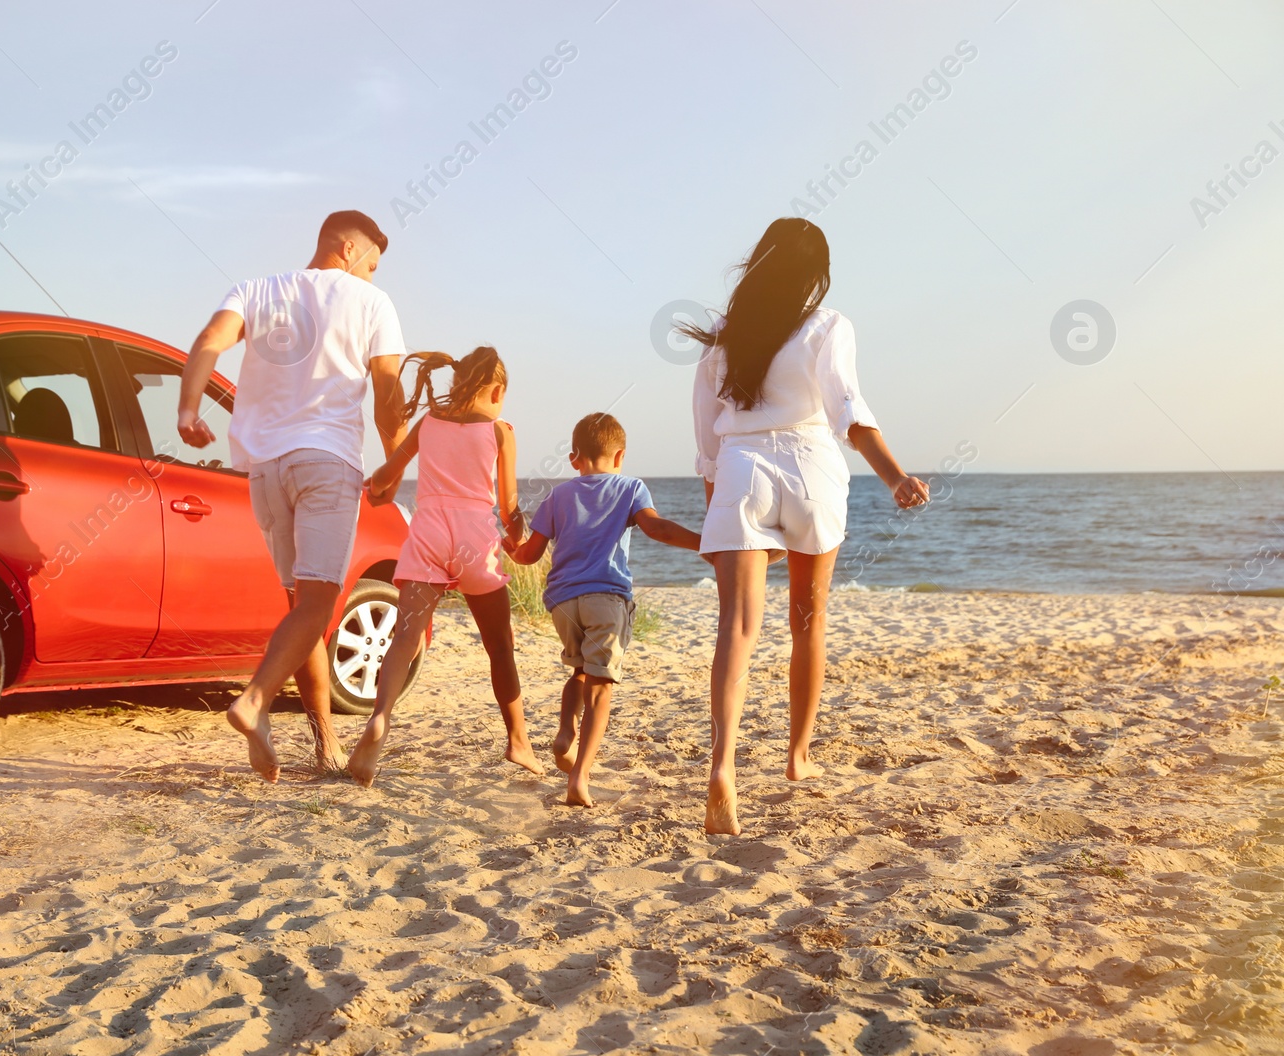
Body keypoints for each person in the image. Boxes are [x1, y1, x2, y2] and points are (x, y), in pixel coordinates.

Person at [684, 217, 929, 836]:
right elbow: (848, 408)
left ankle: (723, 767)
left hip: (743, 470)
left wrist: (720, 507)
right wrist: (895, 476)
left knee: (736, 628)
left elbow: (708, 433)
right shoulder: (827, 324)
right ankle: (797, 757)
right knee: (807, 620)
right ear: (815, 272)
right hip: (812, 469)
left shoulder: (723, 335)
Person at [178, 210, 409, 782]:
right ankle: (254, 701)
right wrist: (395, 465)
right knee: (317, 605)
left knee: (301, 607)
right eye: (373, 265)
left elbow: (210, 340)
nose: (373, 278)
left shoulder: (256, 290)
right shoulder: (371, 303)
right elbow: (387, 394)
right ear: (350, 249)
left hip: (265, 470)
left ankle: (325, 745)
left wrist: (187, 408)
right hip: (325, 462)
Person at [350, 347, 545, 786]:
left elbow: (387, 473)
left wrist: (377, 491)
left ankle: (379, 721)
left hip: (429, 534)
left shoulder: (428, 423)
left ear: (458, 384)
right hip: (475, 539)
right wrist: (518, 542)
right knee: (499, 645)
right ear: (496, 390)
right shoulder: (500, 431)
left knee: (405, 638)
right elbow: (509, 506)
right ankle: (518, 740)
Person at [506, 413, 701, 807]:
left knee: (580, 670)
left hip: (562, 601)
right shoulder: (631, 487)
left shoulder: (558, 496)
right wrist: (707, 544)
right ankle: (579, 777)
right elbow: (657, 529)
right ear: (621, 455)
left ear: (574, 457)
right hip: (606, 598)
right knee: (601, 686)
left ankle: (565, 733)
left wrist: (510, 543)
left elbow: (529, 555)